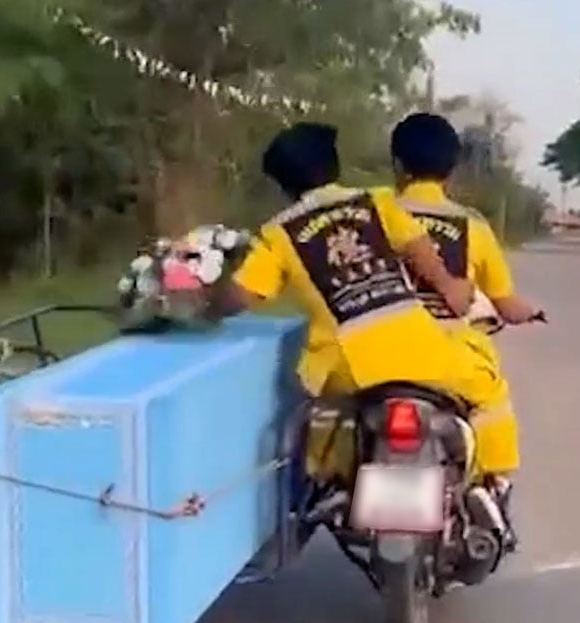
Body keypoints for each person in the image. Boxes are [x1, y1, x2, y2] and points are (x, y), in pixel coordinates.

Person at [215, 123, 521, 536]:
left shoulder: (279, 233)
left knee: (323, 415)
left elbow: (242, 296)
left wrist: (203, 303)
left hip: (346, 367)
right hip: (420, 349)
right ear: (334, 165)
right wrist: (449, 286)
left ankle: (328, 483)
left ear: (283, 185)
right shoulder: (377, 202)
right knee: (489, 392)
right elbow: (418, 248)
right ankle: (490, 480)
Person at [378, 112, 547, 539]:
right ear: (451, 169)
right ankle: (490, 485)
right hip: (447, 361)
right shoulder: (472, 226)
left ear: (397, 164)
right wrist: (530, 311)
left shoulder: (371, 217)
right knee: (493, 401)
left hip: (370, 354)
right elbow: (505, 303)